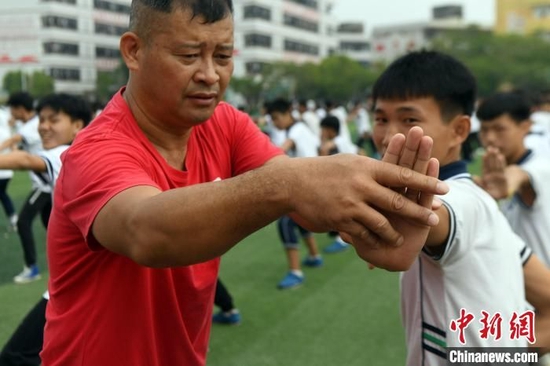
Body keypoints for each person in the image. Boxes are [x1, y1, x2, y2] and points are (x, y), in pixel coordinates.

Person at [40, 2, 449, 365]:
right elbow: (146, 231)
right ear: (134, 50)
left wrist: (387, 221)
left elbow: (307, 200)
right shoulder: (97, 150)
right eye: (188, 55)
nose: (209, 74)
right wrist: (286, 183)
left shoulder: (226, 124)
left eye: (222, 55)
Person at [370, 50, 550, 365]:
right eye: (381, 119)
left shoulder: (460, 200)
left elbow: (433, 217)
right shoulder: (482, 202)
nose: (388, 136)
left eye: (409, 119)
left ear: (459, 130)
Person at [0, 93, 92, 366]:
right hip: (79, 281)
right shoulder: (84, 152)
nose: (43, 126)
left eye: (54, 120)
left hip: (75, 286)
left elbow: (26, 161)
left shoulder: (68, 153)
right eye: (42, 120)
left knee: (15, 357)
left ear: (78, 125)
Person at [475, 91, 550, 267]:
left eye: (499, 129)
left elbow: (520, 175)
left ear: (525, 127)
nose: (490, 138)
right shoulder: (499, 171)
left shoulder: (541, 167)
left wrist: (507, 185)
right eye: (484, 130)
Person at [267, 98, 323, 290]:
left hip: (308, 184)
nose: (275, 123)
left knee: (285, 223)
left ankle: (295, 272)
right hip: (311, 182)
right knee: (300, 221)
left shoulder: (296, 130)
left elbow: (281, 149)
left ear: (286, 114)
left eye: (276, 118)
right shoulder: (300, 127)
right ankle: (315, 256)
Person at [2, 92, 51, 283]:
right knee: (52, 224)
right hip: (49, 184)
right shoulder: (29, 125)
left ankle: (32, 268)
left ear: (21, 108)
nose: (12, 114)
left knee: (23, 222)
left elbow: (12, 141)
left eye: (13, 110)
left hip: (45, 185)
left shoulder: (33, 125)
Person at [0, 107, 17, 231]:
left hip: (2, 171)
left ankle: (13, 218)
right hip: (8, 172)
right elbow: (14, 150)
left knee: (2, 194)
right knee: (3, 194)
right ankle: (13, 218)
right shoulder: (7, 133)